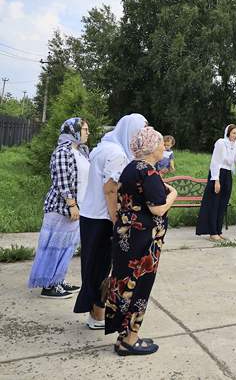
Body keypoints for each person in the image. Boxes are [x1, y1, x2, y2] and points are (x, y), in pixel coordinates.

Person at [106, 126, 177, 356]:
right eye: (159, 143)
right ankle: (130, 341)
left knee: (123, 283)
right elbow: (157, 209)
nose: (162, 147)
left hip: (126, 236)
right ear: (150, 147)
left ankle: (123, 336)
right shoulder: (147, 171)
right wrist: (173, 195)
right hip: (143, 242)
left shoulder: (129, 168)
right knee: (139, 286)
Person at [75, 113, 147, 330]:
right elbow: (110, 188)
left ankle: (93, 312)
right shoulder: (117, 153)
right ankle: (97, 315)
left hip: (90, 215)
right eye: (140, 131)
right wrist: (116, 219)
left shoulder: (104, 146)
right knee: (101, 267)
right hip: (102, 217)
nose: (141, 137)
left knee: (92, 265)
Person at [28, 118, 90, 299]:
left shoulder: (80, 151)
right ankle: (48, 286)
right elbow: (62, 182)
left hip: (76, 207)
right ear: (73, 131)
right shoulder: (63, 151)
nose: (87, 133)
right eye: (84, 129)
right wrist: (72, 205)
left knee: (66, 247)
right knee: (54, 247)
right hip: (61, 208)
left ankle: (57, 280)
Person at [196, 124, 236, 241]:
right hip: (217, 174)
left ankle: (218, 231)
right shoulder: (220, 143)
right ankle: (212, 232)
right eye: (234, 133)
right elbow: (215, 162)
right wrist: (216, 180)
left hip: (228, 174)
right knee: (214, 204)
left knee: (222, 204)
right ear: (228, 133)